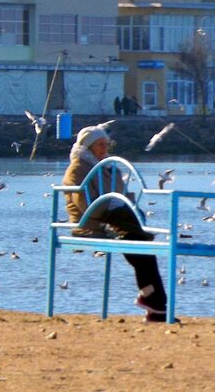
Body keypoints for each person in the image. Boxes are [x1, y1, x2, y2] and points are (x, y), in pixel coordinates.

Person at [63, 125, 170, 323]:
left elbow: (124, 196)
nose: (105, 149)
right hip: (90, 223)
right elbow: (84, 204)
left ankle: (155, 303)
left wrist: (126, 209)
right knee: (138, 244)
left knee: (141, 248)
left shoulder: (109, 168)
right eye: (100, 145)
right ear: (88, 147)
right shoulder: (78, 168)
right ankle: (156, 304)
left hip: (117, 221)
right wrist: (112, 213)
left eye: (106, 145)